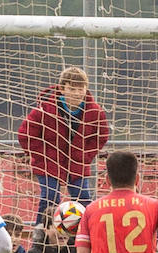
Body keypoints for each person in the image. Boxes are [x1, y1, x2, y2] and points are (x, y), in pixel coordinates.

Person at [17, 67, 109, 229]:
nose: (77, 93)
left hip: (77, 162)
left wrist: (86, 155)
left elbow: (101, 136)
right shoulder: (45, 108)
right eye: (72, 89)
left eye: (81, 89)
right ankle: (42, 232)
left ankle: (90, 233)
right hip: (49, 162)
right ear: (62, 88)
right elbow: (25, 134)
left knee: (83, 197)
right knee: (50, 196)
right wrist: (42, 155)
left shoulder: (95, 111)